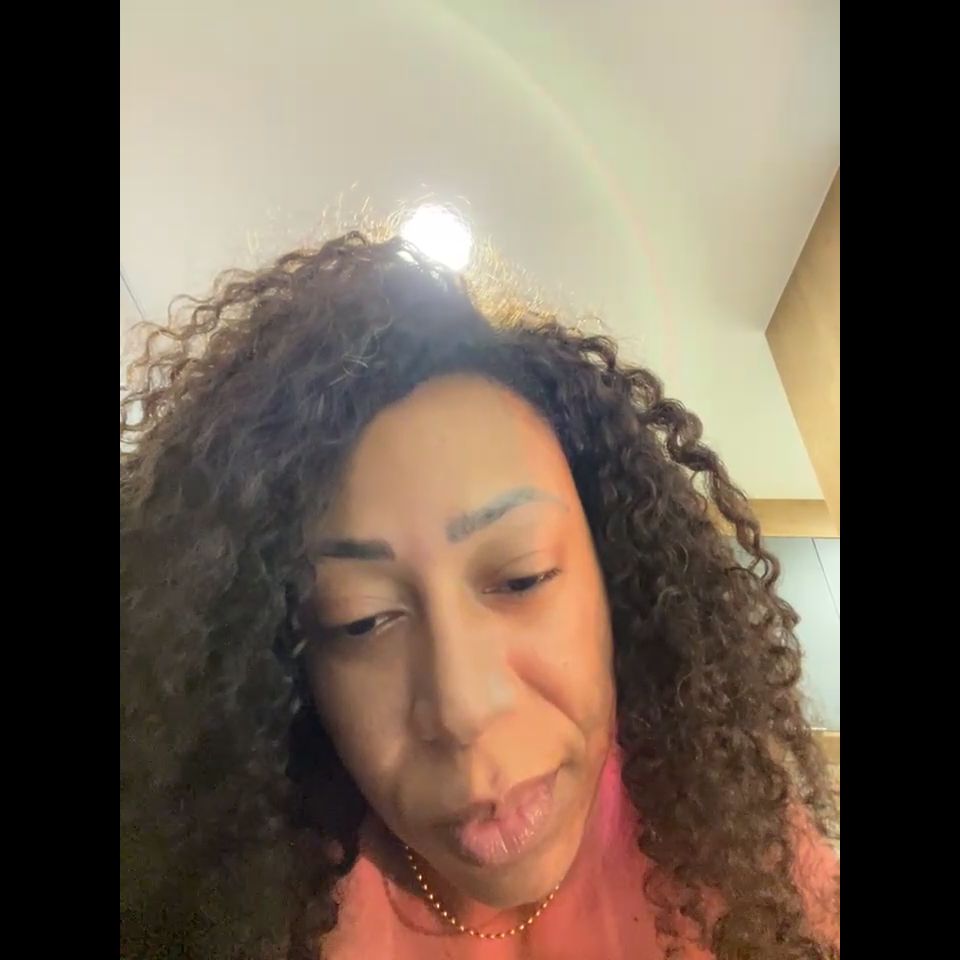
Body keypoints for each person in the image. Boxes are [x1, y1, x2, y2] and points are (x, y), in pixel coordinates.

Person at [120, 231, 839, 960]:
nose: (462, 709)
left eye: (522, 578)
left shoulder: (734, 835)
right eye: (361, 620)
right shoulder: (247, 913)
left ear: (616, 580)